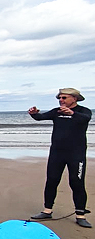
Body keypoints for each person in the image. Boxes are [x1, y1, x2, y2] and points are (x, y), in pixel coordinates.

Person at [28, 88, 92, 228]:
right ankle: (47, 211)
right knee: (52, 180)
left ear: (74, 98)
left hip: (76, 154)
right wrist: (34, 114)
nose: (61, 100)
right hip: (57, 153)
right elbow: (41, 117)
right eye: (60, 98)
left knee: (76, 182)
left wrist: (72, 114)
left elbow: (86, 119)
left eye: (64, 98)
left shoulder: (84, 111)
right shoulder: (57, 111)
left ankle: (80, 215)